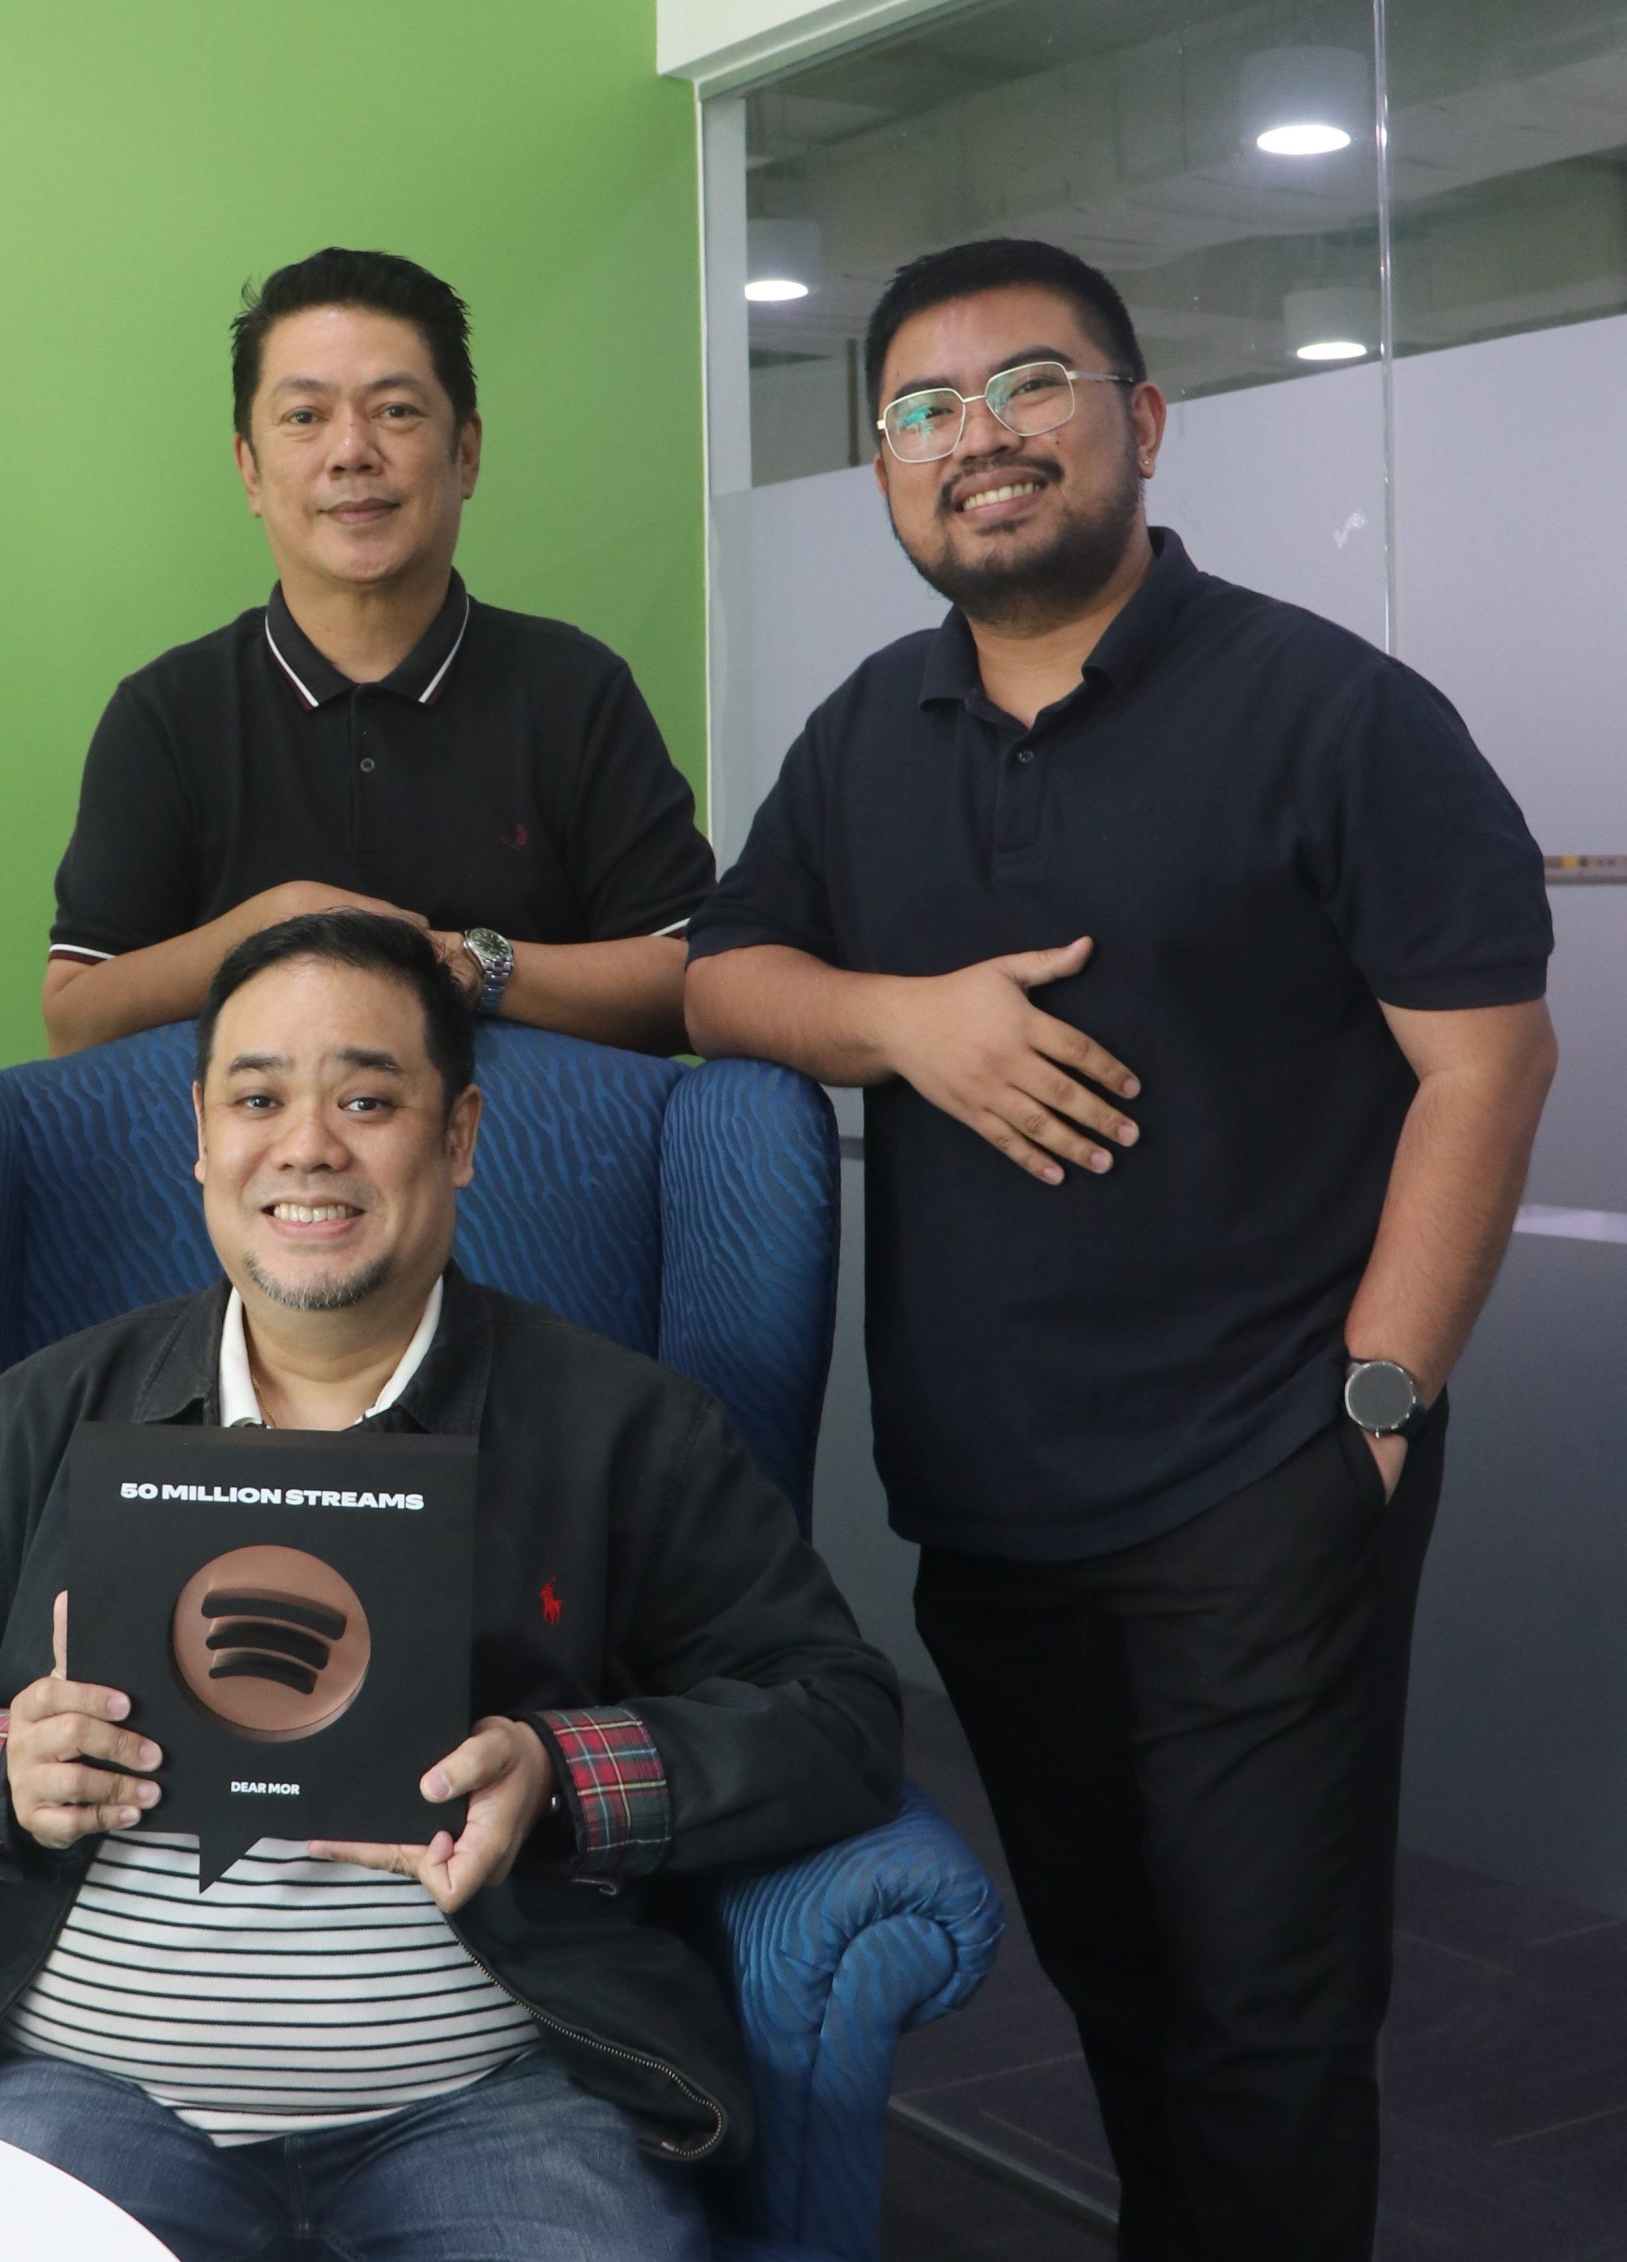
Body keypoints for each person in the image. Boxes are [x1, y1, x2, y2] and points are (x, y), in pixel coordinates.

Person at [684, 236, 1557, 2261]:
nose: (975, 437)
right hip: (988, 1507)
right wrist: (902, 1021)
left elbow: (1487, 1065)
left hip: (1264, 1475)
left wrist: (1373, 1407)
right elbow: (724, 978)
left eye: (1029, 386)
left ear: (1140, 421)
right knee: (1119, 1987)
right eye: (920, 410)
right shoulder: (867, 729)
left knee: (1267, 2018)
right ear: (885, 470)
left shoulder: (1330, 711)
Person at [0, 910, 899, 2262]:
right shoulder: (44, 1415)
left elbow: (837, 1713)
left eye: (367, 1099)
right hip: (91, 2089)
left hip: (494, 2096)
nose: (307, 1146)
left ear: (459, 1134)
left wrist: (560, 1776)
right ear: (200, 1135)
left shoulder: (620, 1428)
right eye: (257, 1099)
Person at [41, 247, 713, 1060]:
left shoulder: (575, 691)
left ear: (466, 452)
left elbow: (693, 981)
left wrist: (463, 962)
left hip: (535, 1141)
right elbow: (76, 1017)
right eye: (304, 417)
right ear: (249, 469)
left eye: (395, 410)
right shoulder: (166, 715)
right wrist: (276, 927)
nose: (351, 450)